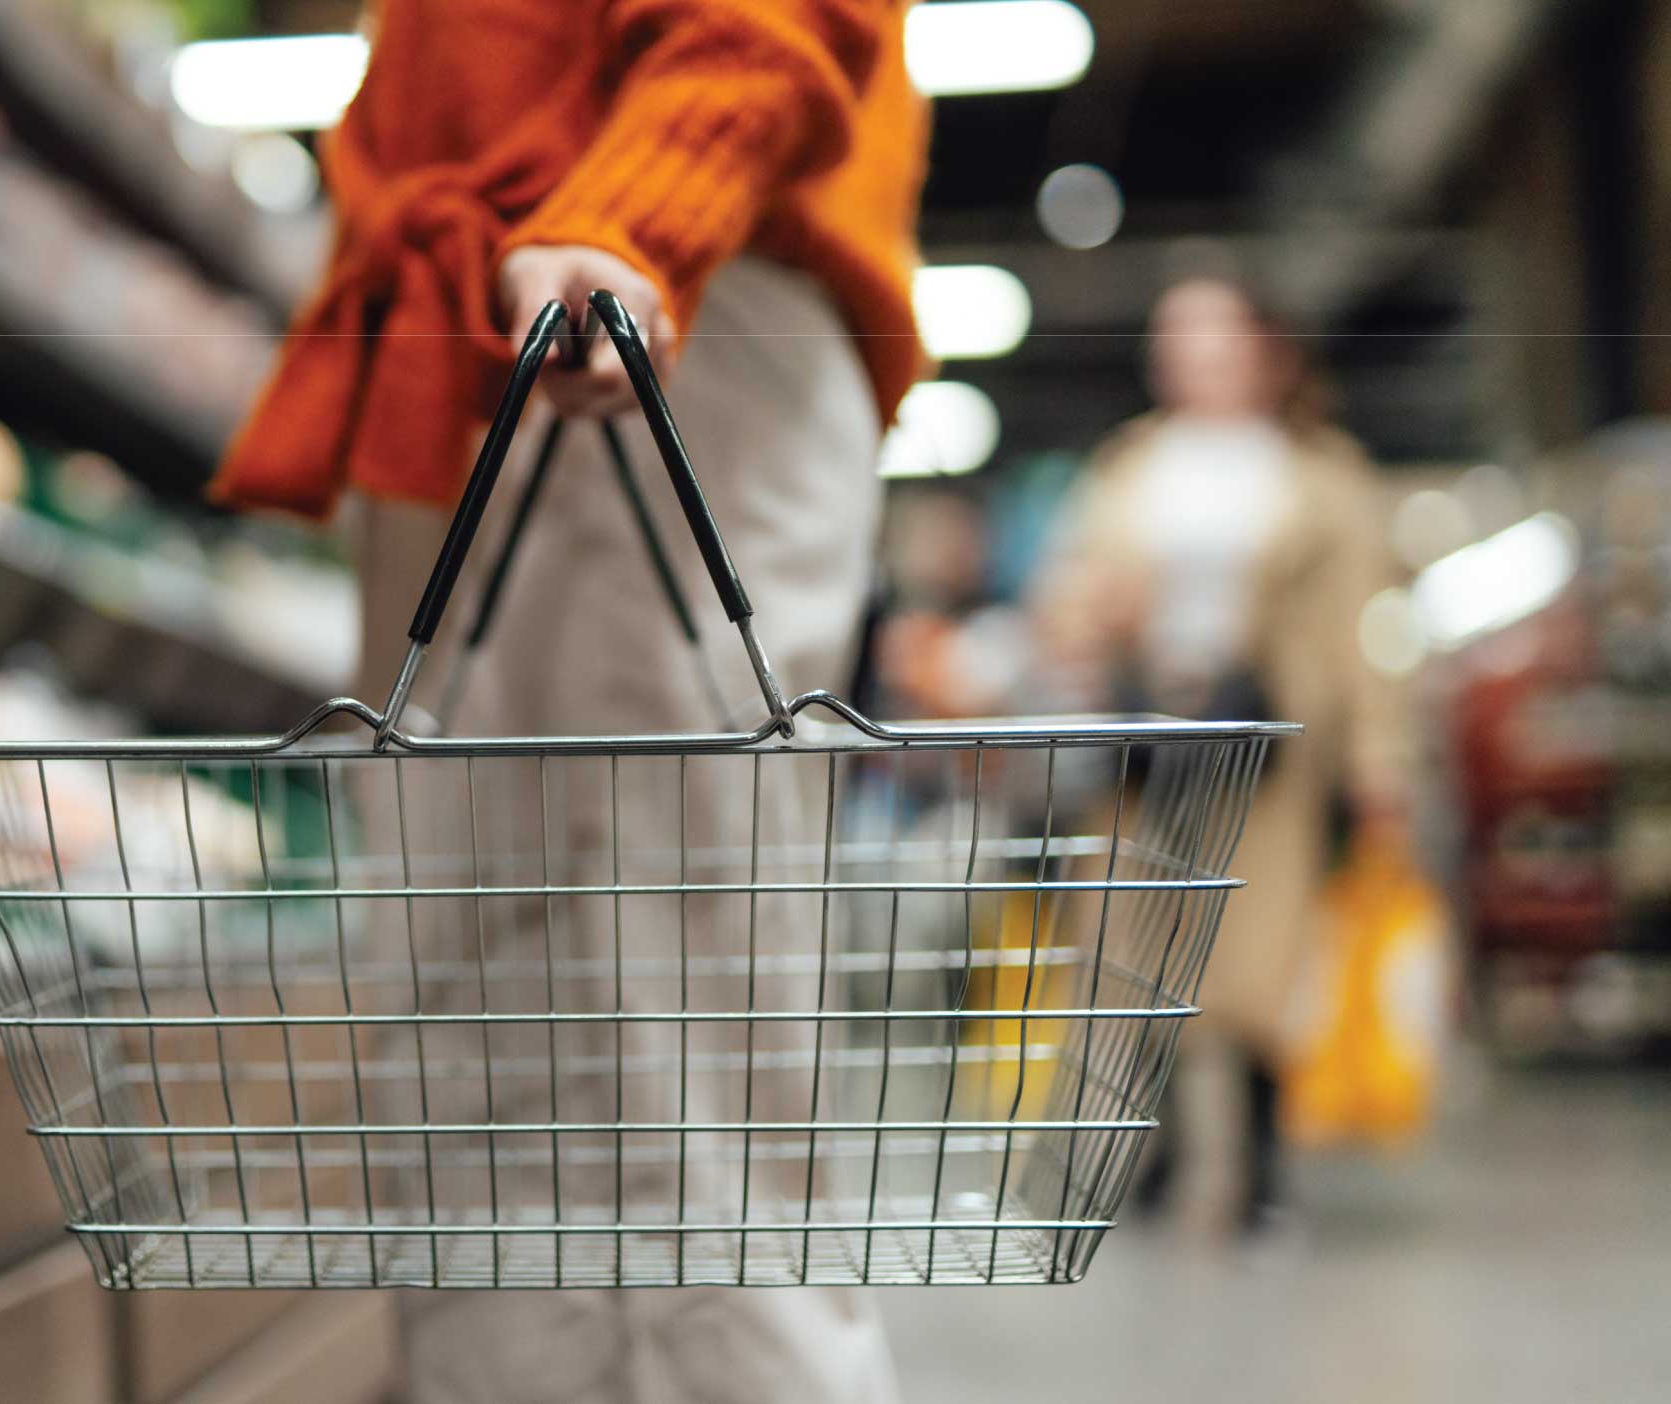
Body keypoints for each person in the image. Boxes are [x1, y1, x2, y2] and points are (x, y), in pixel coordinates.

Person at [211, 2, 928, 1400]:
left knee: (650, 1032)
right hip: (496, 313)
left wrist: (644, 208)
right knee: (492, 1009)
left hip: (646, 302)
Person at [1035, 276, 1410, 1240]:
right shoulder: (1131, 467)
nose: (1191, 353)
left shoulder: (1324, 477)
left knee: (1261, 957)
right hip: (1148, 745)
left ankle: (1259, 1166)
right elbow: (1067, 594)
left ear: (1262, 348)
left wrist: (1381, 760)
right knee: (1137, 954)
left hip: (1271, 747)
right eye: (1176, 335)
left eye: (1211, 333)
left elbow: (1362, 635)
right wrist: (1091, 617)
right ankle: (1147, 1162)